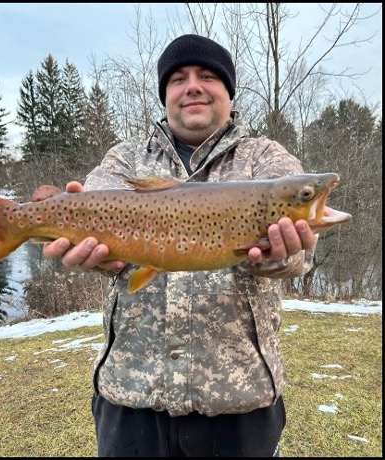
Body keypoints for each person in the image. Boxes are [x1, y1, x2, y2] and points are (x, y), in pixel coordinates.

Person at [44, 34, 317, 457]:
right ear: (165, 95)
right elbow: (97, 239)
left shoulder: (265, 160)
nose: (193, 86)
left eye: (208, 76)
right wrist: (91, 255)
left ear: (228, 92)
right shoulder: (125, 158)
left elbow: (300, 255)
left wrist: (282, 254)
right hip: (130, 397)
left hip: (238, 401)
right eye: (178, 78)